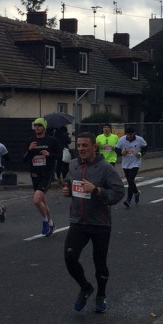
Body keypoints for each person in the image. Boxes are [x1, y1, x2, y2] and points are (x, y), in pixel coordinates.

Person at [61, 131, 125, 314]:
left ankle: (101, 296)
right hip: (78, 221)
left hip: (100, 224)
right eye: (79, 146)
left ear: (94, 147)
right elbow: (68, 181)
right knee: (69, 257)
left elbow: (118, 192)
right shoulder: (73, 165)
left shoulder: (105, 168)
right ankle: (85, 287)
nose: (81, 149)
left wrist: (97, 190)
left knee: (100, 262)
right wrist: (66, 189)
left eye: (85, 146)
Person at [23, 117, 62, 236]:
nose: (37, 127)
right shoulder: (30, 141)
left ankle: (45, 221)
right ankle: (51, 223)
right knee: (43, 202)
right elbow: (24, 158)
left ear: (44, 127)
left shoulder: (52, 141)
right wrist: (29, 150)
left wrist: (49, 154)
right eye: (35, 125)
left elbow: (60, 156)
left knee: (36, 200)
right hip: (35, 174)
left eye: (39, 125)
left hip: (47, 173)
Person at [115, 125, 148, 207]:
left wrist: (141, 153)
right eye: (127, 135)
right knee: (130, 181)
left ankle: (128, 200)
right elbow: (116, 149)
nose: (129, 136)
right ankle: (136, 193)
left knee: (130, 180)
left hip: (135, 163)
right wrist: (121, 152)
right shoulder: (122, 139)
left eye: (130, 135)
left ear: (134, 134)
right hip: (126, 164)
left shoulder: (139, 139)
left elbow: (145, 147)